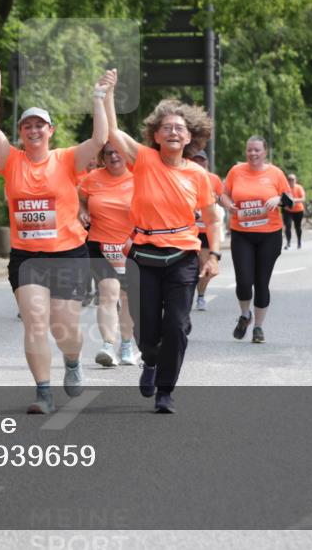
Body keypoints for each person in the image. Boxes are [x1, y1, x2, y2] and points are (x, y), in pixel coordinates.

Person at [0, 64, 109, 415]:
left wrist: (98, 98)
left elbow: (100, 140)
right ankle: (43, 392)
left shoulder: (67, 159)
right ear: (21, 132)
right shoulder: (11, 161)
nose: (34, 130)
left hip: (68, 254)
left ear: (50, 131)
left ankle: (71, 360)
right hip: (27, 258)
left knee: (64, 328)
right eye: (28, 125)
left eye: (40, 124)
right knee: (35, 320)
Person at [103, 82, 218, 413]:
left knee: (178, 326)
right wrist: (108, 95)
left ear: (188, 137)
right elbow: (113, 132)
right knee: (146, 327)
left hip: (181, 256)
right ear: (155, 135)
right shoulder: (144, 160)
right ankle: (150, 361)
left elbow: (212, 220)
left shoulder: (198, 175)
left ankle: (165, 392)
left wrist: (214, 256)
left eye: (179, 128)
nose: (172, 132)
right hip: (143, 254)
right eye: (166, 127)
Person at [219, 136, 289, 346]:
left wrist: (278, 199)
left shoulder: (275, 173)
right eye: (249, 150)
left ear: (265, 152)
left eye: (257, 150)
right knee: (243, 280)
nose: (253, 154)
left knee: (261, 282)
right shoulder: (236, 171)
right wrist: (228, 205)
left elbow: (289, 197)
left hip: (270, 234)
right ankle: (244, 314)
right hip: (242, 233)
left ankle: (258, 327)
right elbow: (223, 194)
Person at [79, 140, 137, 367]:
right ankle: (106, 346)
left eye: (118, 152)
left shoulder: (138, 179)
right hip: (100, 245)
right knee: (108, 291)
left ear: (127, 156)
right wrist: (82, 212)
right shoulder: (92, 179)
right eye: (109, 153)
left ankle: (126, 345)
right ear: (102, 158)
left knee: (127, 298)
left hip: (130, 247)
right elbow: (80, 199)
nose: (114, 156)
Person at [188, 149, 224, 310]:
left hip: (206, 231)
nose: (198, 164)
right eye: (195, 160)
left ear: (206, 162)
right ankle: (188, 295)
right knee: (190, 267)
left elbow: (223, 198)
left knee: (206, 266)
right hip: (189, 230)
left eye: (201, 160)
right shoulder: (185, 175)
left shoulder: (214, 179)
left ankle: (201, 295)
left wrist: (220, 201)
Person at [282, 173, 306, 250]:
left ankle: (299, 241)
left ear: (295, 180)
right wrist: (285, 203)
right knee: (288, 226)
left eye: (292, 179)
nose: (291, 181)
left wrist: (293, 200)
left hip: (298, 210)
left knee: (297, 226)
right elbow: (281, 198)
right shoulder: (285, 188)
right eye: (289, 179)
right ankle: (288, 242)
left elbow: (303, 199)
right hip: (288, 210)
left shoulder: (299, 188)